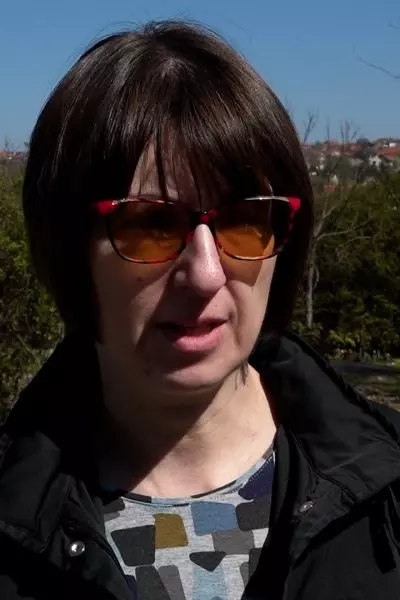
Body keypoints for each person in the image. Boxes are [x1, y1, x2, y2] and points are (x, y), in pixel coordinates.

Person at [0, 19, 400, 600]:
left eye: (246, 220)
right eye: (149, 225)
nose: (206, 272)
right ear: (68, 250)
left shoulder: (387, 493)